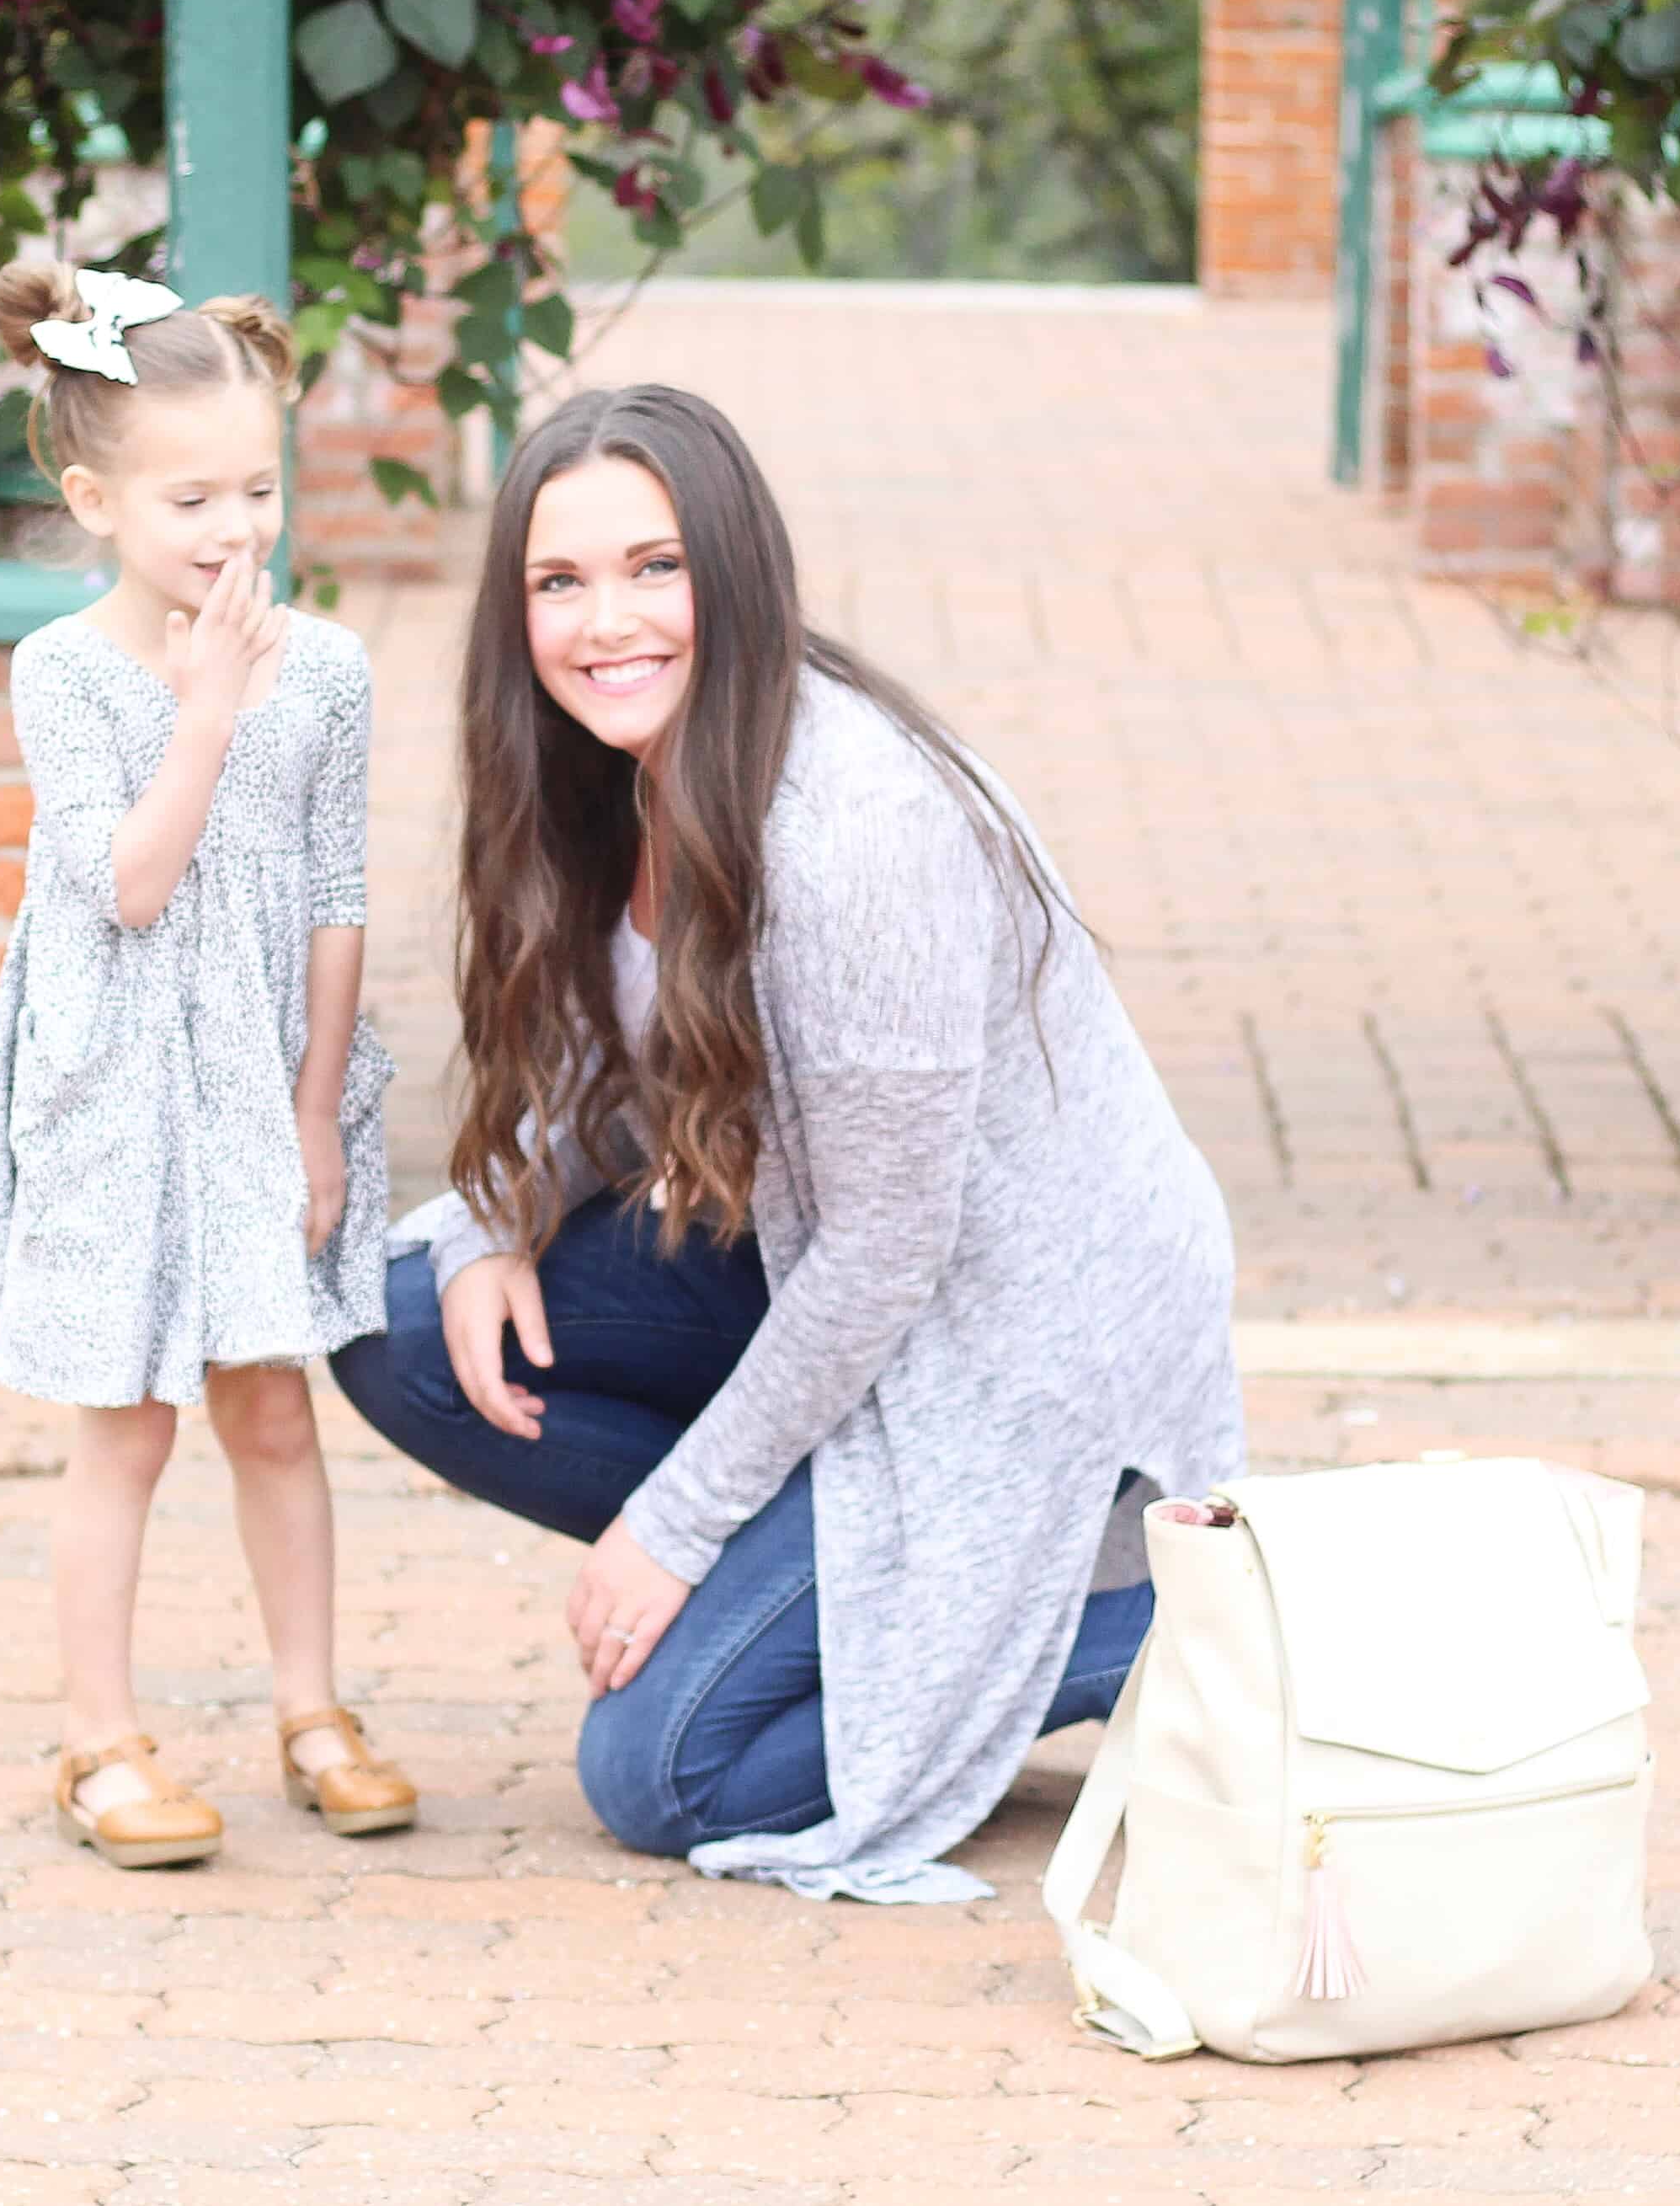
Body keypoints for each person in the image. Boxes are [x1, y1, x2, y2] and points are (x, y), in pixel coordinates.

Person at [332, 384, 1242, 1901]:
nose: (603, 621)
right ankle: (839, 1573)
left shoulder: (851, 824)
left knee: (664, 1771)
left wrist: (674, 1529)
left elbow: (896, 1246)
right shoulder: (614, 763)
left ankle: (1143, 1615)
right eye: (558, 582)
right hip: (835, 1277)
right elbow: (601, 1066)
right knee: (405, 1318)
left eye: (654, 566)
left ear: (736, 573)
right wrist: (498, 1219)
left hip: (1013, 1345)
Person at [0, 262, 415, 1870]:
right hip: (111, 1090)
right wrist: (207, 706)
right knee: (126, 1421)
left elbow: (339, 899)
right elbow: (129, 886)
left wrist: (313, 1119)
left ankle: (311, 1707)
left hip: (255, 1083)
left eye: (256, 489)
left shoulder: (334, 670)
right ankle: (100, 1738)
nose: (233, 528)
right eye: (188, 498)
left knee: (270, 1406)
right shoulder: (65, 675)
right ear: (94, 498)